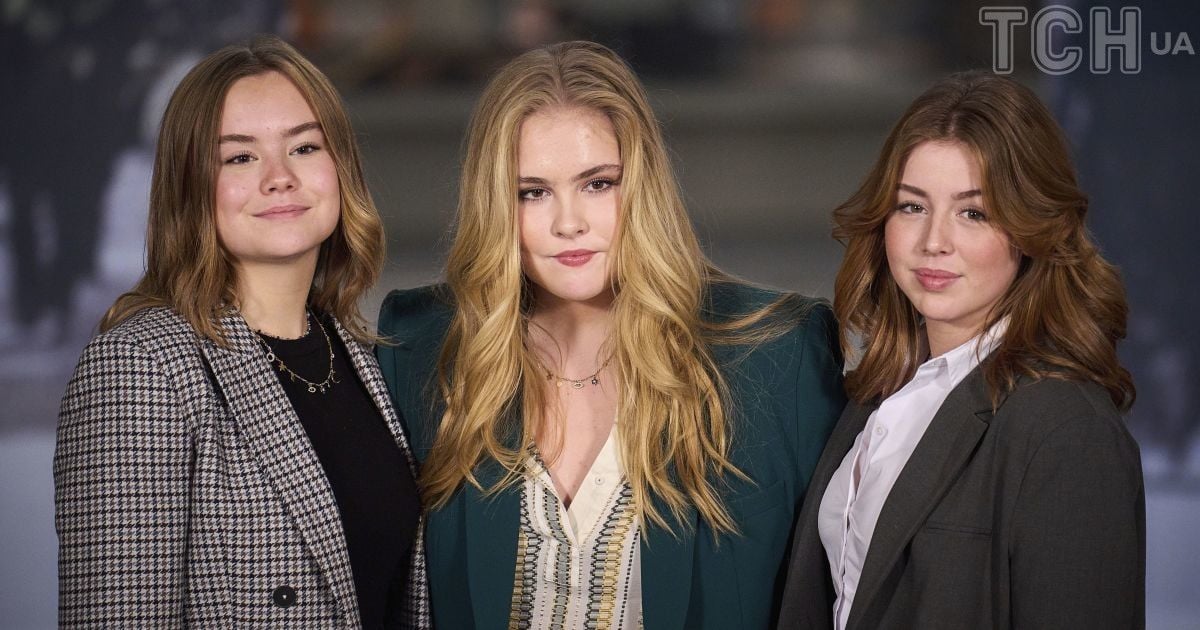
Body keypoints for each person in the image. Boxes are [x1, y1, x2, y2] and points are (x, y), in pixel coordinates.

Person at [376, 41, 845, 629]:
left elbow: (828, 595)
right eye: (532, 192)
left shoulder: (776, 351)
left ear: (643, 184)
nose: (568, 222)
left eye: (598, 184)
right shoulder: (421, 346)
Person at [54, 35, 428, 628]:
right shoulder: (139, 366)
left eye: (304, 147)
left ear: (340, 167)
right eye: (239, 158)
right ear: (190, 186)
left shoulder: (362, 354)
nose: (279, 177)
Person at [777, 71, 1144, 629]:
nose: (934, 242)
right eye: (912, 207)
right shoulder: (877, 396)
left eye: (974, 213)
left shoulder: (1066, 428)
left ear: (1032, 229)